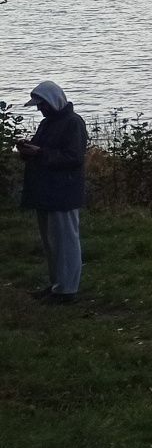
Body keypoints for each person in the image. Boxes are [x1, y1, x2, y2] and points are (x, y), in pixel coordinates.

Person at [16, 80, 88, 304]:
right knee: (51, 243)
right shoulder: (47, 124)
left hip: (63, 192)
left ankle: (67, 290)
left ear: (53, 101)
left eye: (42, 104)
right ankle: (57, 285)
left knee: (65, 241)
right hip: (46, 192)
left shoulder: (73, 123)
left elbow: (74, 158)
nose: (39, 109)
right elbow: (43, 151)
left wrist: (40, 153)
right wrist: (27, 149)